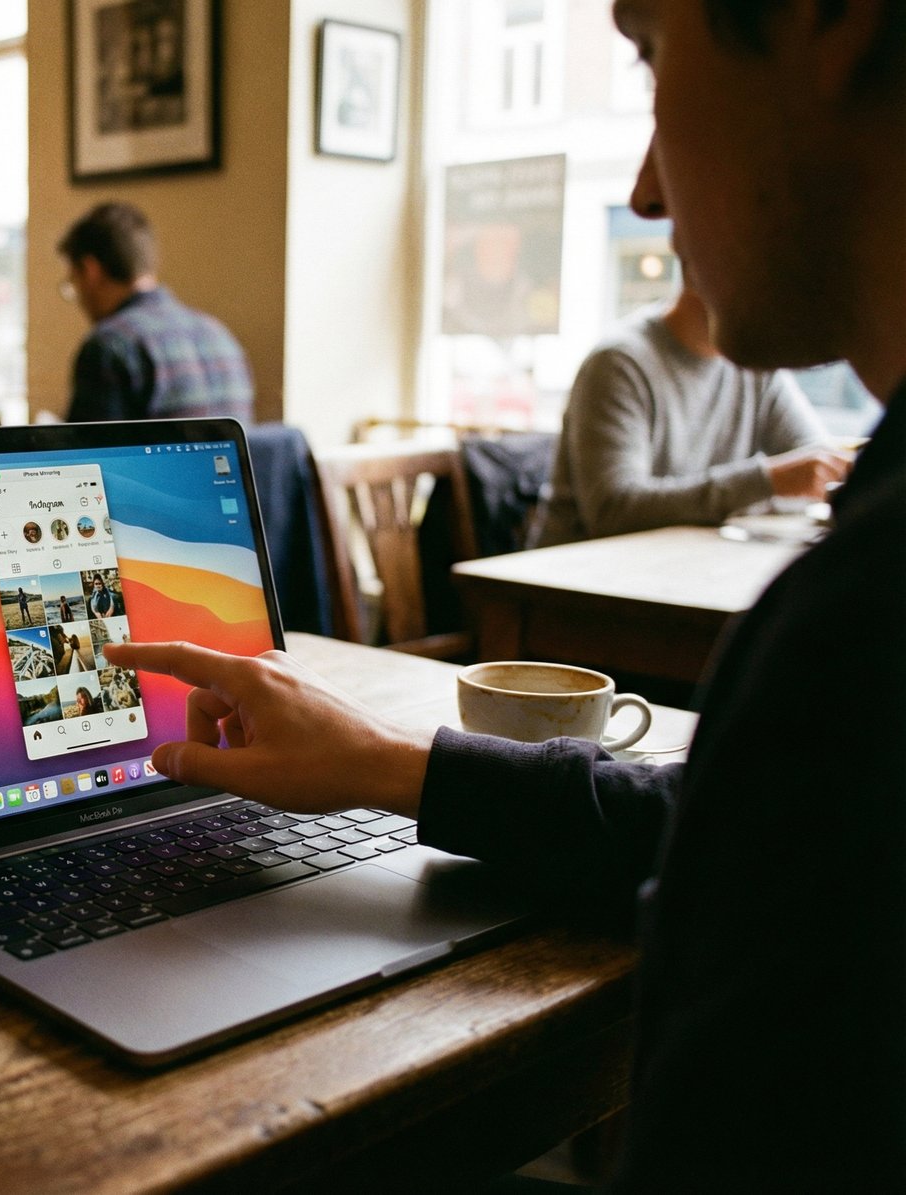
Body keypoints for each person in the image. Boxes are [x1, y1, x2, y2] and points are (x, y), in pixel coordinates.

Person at [107, 0, 905, 1187]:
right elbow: (704, 826)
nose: (643, 189)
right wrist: (388, 763)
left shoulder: (852, 634)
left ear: (824, 17)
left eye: (648, 55)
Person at [537, 280, 851, 545]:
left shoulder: (756, 366)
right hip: (574, 592)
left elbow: (817, 465)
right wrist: (768, 481)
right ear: (696, 267)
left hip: (678, 571)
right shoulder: (620, 362)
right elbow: (614, 510)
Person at [58, 202, 254, 423]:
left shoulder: (108, 346)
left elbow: (86, 452)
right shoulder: (219, 334)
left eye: (73, 281)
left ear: (91, 270)